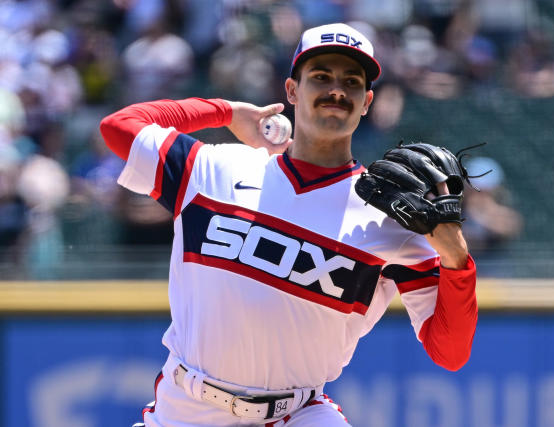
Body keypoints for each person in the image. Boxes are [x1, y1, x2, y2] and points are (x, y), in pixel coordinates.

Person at [100, 23, 477, 427]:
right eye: (320, 77)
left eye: (351, 82)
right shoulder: (214, 168)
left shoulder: (392, 219)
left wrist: (456, 257)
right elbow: (120, 126)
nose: (337, 90)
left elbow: (449, 353)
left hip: (296, 414)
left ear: (366, 101)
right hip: (187, 410)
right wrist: (225, 111)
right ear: (292, 91)